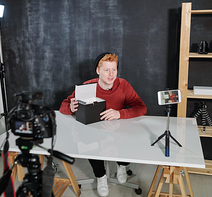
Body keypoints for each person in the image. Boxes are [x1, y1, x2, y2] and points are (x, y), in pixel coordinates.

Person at [59, 52, 147, 197]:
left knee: (127, 135)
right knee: (88, 142)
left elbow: (141, 107)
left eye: (114, 69)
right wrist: (71, 107)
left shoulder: (123, 84)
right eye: (106, 70)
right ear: (98, 71)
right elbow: (64, 105)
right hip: (93, 131)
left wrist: (120, 113)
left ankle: (122, 166)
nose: (111, 74)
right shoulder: (87, 86)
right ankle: (101, 177)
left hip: (117, 129)